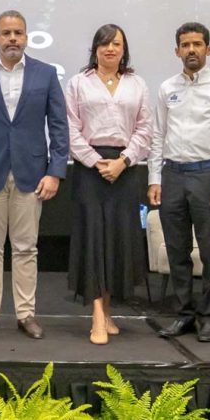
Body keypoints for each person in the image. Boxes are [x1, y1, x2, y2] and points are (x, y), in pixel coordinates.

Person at [0, 10, 69, 340]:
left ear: (26, 37)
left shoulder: (46, 74)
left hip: (32, 173)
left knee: (26, 248)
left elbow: (59, 126)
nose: (12, 39)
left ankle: (25, 314)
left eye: (18, 33)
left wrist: (55, 171)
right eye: (6, 33)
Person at [148, 22, 210, 343]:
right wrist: (154, 178)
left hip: (206, 175)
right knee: (177, 250)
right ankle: (185, 313)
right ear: (176, 51)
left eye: (197, 44)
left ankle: (209, 316)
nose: (191, 50)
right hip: (172, 175)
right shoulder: (166, 88)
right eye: (185, 45)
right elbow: (157, 135)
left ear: (208, 50)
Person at [66, 23, 152, 345]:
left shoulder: (137, 84)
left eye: (116, 43)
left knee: (118, 240)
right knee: (94, 240)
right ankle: (97, 317)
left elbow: (145, 129)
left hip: (125, 170)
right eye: (104, 43)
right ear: (95, 48)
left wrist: (124, 161)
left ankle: (109, 311)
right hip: (90, 170)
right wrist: (93, 161)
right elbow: (70, 129)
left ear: (124, 48)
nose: (110, 49)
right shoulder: (78, 83)